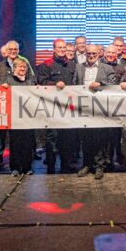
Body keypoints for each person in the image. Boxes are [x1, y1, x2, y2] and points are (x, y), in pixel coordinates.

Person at [74, 44, 115, 179]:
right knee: (85, 138)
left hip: (100, 108)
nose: (91, 56)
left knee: (100, 138)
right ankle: (86, 165)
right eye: (89, 53)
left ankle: (99, 166)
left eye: (94, 54)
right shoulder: (79, 67)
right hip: (84, 108)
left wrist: (100, 84)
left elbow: (113, 86)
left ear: (99, 54)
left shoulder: (107, 68)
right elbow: (74, 86)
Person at [36, 39, 76, 173]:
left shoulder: (72, 65)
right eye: (59, 47)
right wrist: (55, 85)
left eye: (64, 47)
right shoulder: (46, 65)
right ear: (53, 49)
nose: (62, 50)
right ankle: (51, 166)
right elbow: (42, 82)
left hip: (69, 107)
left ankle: (66, 164)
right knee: (51, 137)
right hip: (52, 106)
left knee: (67, 137)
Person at [1, 59, 36, 176]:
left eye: (24, 67)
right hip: (14, 117)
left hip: (28, 117)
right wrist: (3, 88)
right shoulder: (8, 80)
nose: (23, 69)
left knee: (28, 143)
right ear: (14, 68)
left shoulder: (31, 79)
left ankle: (27, 167)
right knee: (15, 143)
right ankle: (15, 168)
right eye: (20, 67)